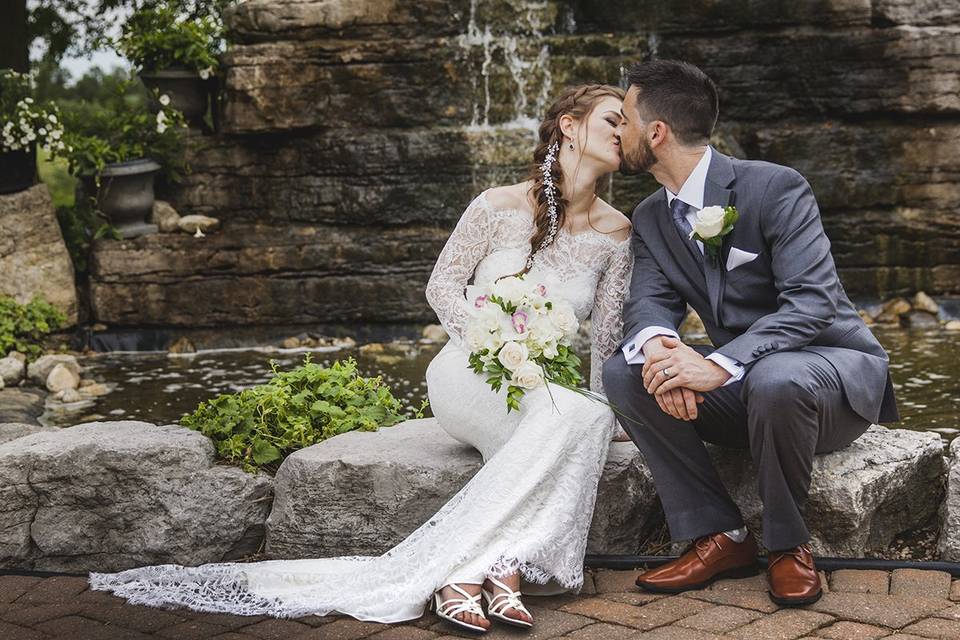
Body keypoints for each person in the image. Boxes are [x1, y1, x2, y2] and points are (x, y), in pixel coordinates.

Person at [88, 83, 635, 634]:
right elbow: (442, 286)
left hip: (544, 389)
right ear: (569, 126)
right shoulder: (497, 206)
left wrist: (613, 413)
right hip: (469, 373)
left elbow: (606, 344)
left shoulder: (617, 234)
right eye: (612, 120)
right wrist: (495, 344)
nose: (622, 132)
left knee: (586, 415)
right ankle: (497, 568)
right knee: (574, 417)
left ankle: (480, 572)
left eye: (627, 125)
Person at [602, 59, 899, 607]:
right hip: (748, 387)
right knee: (626, 370)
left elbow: (811, 303)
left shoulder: (775, 187)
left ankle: (788, 546)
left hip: (827, 377)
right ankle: (722, 536)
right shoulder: (649, 216)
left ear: (656, 132)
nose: (615, 131)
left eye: (622, 119)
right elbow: (648, 302)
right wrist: (662, 351)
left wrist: (716, 363)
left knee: (778, 377)